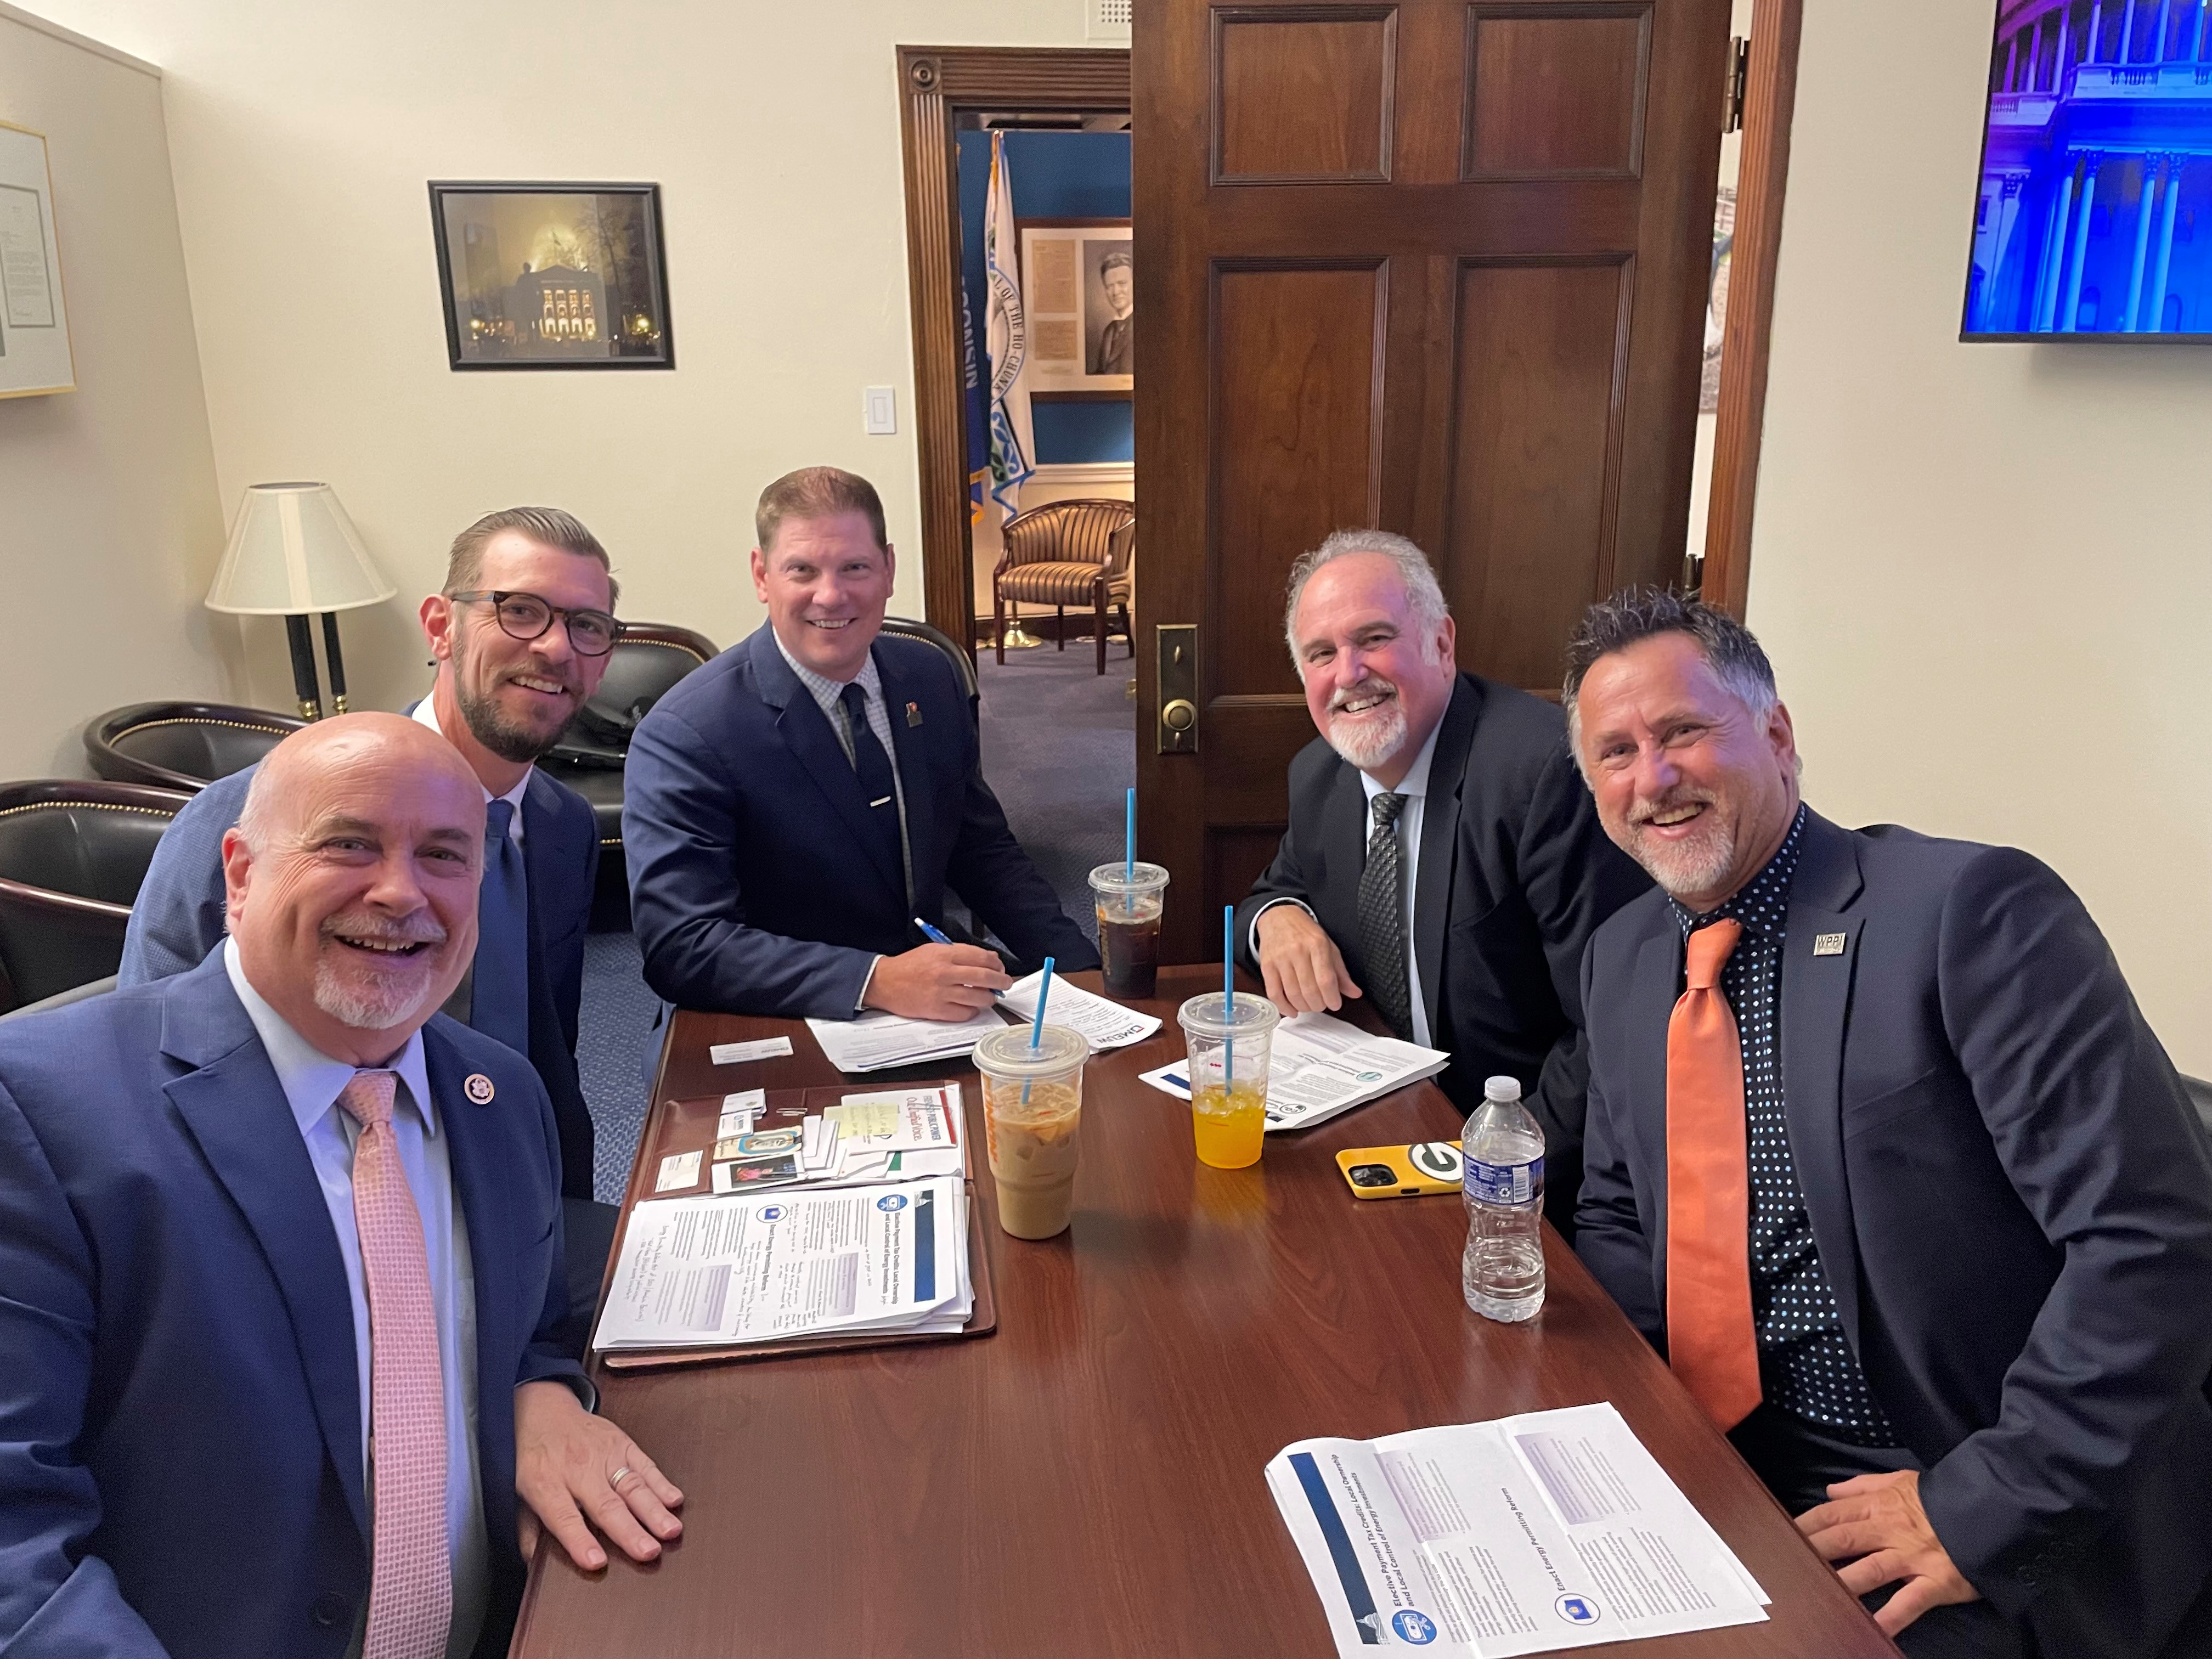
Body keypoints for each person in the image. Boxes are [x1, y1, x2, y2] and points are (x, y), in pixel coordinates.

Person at [1564, 590, 2212, 1658]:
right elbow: (1620, 1210)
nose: (1654, 777)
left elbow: (2154, 1243)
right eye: (1616, 753)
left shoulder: (1968, 912)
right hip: (1726, 1480)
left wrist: (1987, 1506)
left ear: (1775, 736)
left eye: (1683, 731)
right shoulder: (1628, 955)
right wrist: (1637, 1436)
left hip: (1970, 1506)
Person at [0, 715, 680, 1659]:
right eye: (349, 843)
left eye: (445, 854)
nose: (402, 891)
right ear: (240, 874)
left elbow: (521, 1330)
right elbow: (14, 1542)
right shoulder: (37, 1108)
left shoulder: (497, 1095)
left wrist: (540, 1388)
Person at [122, 507, 613, 1217]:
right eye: (521, 611)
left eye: (585, 626)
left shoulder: (564, 827)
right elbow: (152, 1073)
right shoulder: (255, 817)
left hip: (509, 1191)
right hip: (298, 1210)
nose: (554, 648)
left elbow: (542, 1049)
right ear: (441, 626)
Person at [1234, 530, 1647, 1231]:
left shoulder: (1540, 773)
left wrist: (1492, 1171)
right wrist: (1276, 917)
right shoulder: (1320, 775)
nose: (1350, 673)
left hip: (1530, 1170)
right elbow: (1272, 890)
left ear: (1443, 644)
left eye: (1374, 638)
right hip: (1383, 1124)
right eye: (1322, 654)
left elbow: (1611, 1024)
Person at [624, 465, 1097, 1021]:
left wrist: (1078, 973)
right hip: (777, 1009)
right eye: (802, 570)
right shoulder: (689, 732)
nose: (831, 595)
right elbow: (683, 946)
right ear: (761, 575)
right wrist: (875, 980)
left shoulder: (931, 677)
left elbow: (980, 850)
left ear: (889, 570)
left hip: (933, 991)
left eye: (855, 567)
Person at [1092, 249, 1133, 376]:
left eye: (1122, 283)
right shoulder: (1109, 331)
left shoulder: (1147, 326)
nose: (1115, 292)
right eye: (1110, 286)